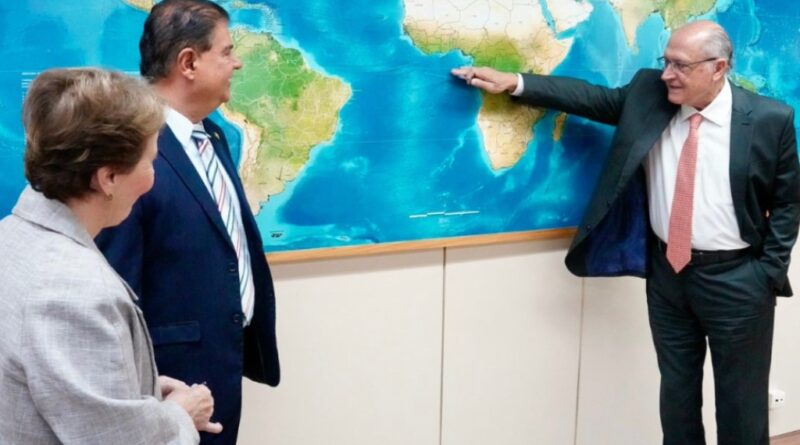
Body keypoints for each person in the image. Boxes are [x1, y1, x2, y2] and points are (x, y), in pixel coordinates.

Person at [453, 20, 799, 445]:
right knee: (676, 393)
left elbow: (788, 201)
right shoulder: (649, 94)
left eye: (680, 65)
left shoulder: (768, 119)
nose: (667, 74)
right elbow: (588, 97)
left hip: (739, 281)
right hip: (669, 276)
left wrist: (767, 272)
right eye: (665, 61)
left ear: (718, 68)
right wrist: (515, 83)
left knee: (740, 403)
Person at [0, 68, 223, 444]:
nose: (152, 179)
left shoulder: (11, 237)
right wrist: (179, 415)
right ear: (108, 179)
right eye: (149, 162)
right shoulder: (76, 293)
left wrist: (137, 386)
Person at [96, 1, 280, 443]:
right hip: (168, 385)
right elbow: (116, 286)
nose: (236, 62)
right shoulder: (131, 151)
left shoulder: (212, 134)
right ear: (189, 63)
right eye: (226, 51)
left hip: (221, 369)